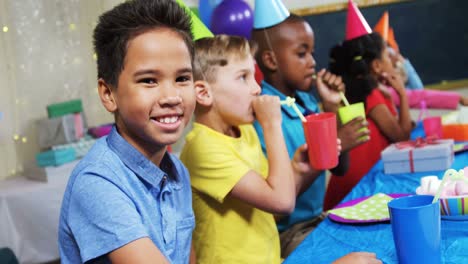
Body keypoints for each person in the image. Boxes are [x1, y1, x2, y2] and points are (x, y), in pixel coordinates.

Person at [180, 35, 380, 264]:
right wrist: (271, 124)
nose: (256, 89)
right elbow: (282, 201)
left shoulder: (243, 132)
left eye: (253, 77)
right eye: (243, 77)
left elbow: (272, 208)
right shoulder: (203, 147)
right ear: (204, 93)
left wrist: (299, 169)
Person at [58, 0, 197, 263]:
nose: (171, 96)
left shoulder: (178, 172)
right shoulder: (98, 182)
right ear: (109, 94)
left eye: (182, 78)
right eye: (149, 80)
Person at [251, 14, 370, 258]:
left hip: (318, 218)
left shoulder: (306, 102)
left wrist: (333, 106)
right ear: (271, 60)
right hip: (288, 232)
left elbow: (339, 169)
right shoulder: (265, 117)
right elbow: (277, 205)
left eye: (312, 53)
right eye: (302, 54)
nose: (313, 62)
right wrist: (334, 147)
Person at [324, 32, 413, 210]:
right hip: (358, 189)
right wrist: (402, 94)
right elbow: (402, 138)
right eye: (387, 55)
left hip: (348, 185)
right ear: (377, 66)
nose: (393, 60)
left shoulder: (361, 91)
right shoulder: (373, 95)